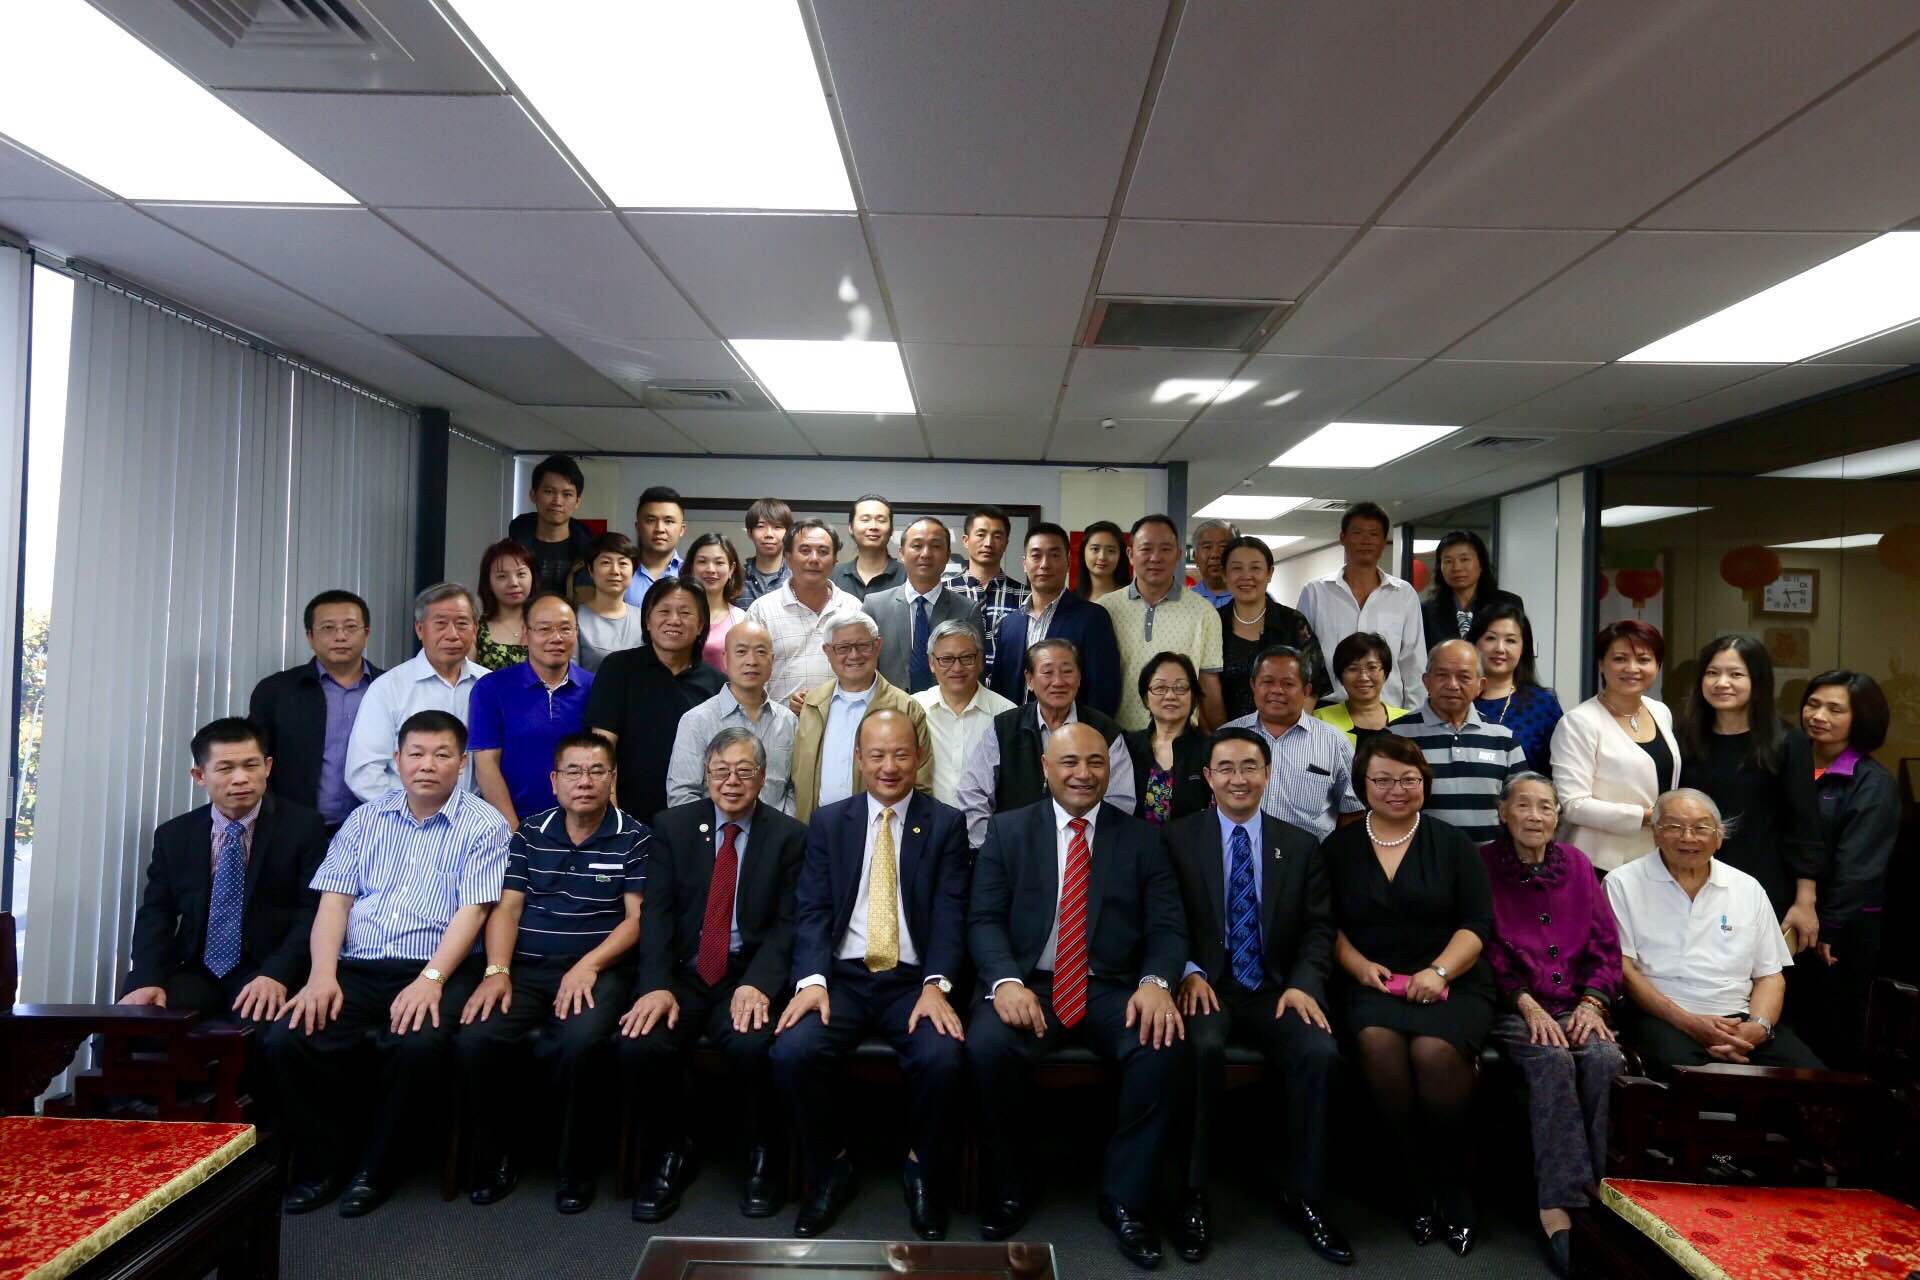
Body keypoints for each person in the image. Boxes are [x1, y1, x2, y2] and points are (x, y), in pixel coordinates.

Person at [266, 710, 512, 1218]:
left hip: (436, 967)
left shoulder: (485, 824)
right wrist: (321, 976)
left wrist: (431, 979)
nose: (428, 765)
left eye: (442, 754)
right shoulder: (364, 819)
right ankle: (323, 1164)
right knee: (289, 1038)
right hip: (356, 967)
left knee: (417, 1044)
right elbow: (334, 902)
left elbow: (474, 911)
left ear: (462, 763)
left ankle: (377, 1169)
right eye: (416, 754)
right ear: (397, 759)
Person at [968, 722, 1188, 1271]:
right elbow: (984, 919)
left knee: (1160, 1045)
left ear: (1110, 770)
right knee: (988, 1046)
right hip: (1031, 984)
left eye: (1095, 762)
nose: (1083, 773)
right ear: (1046, 768)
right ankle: (1010, 1186)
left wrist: (1157, 983)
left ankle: (1127, 1200)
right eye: (1069, 762)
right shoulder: (1008, 830)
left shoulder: (1142, 838)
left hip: (1111, 986)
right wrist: (1005, 981)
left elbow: (1167, 927)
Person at [770, 709, 970, 1241]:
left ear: (919, 757)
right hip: (842, 979)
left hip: (913, 982)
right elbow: (813, 908)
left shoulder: (945, 823)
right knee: (792, 1052)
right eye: (877, 755)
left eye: (900, 754)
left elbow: (950, 913)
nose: (889, 766)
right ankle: (830, 1166)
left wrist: (937, 985)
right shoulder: (829, 822)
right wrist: (812, 981)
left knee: (943, 1058)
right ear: (858, 759)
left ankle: (921, 1168)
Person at [1165, 728, 1349, 1266]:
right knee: (1199, 1048)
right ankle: (1192, 1194)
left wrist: (1303, 983)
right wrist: (1186, 971)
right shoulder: (1176, 839)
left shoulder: (1300, 844)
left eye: (1250, 767)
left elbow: (1319, 928)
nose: (1238, 778)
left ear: (1268, 774)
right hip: (1206, 986)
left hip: (1276, 987)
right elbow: (1164, 918)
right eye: (1225, 768)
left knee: (1319, 1052)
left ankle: (1307, 1194)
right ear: (1208, 777)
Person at [620, 727, 809, 1222]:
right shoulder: (673, 827)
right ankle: (670, 1151)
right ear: (705, 776)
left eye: (744, 771)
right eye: (720, 771)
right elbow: (657, 914)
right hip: (684, 973)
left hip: (746, 973)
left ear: (763, 778)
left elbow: (789, 924)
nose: (731, 782)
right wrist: (655, 985)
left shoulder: (789, 837)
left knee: (753, 1044)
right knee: (641, 1042)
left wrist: (759, 984)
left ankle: (762, 1154)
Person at [456, 733, 647, 1214]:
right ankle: (496, 1158)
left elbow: (636, 920)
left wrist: (588, 966)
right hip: (525, 968)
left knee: (580, 1043)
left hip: (599, 970)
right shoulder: (529, 833)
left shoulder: (635, 836)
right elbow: (508, 907)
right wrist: (497, 970)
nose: (585, 781)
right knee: (478, 1037)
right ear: (554, 780)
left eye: (597, 771)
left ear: (612, 778)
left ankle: (576, 1167)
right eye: (573, 772)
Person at [1326, 732, 1496, 1256]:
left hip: (1452, 980)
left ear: (1424, 782)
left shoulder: (1453, 843)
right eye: (1382, 780)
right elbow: (1324, 923)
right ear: (1363, 785)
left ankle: (1455, 1184)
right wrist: (1358, 968)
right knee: (1377, 1041)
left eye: (1408, 779)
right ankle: (1414, 1184)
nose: (1396, 790)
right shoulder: (1339, 847)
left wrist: (1439, 971)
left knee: (1433, 1051)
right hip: (1370, 980)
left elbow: (1477, 924)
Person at [1478, 773, 1624, 1277]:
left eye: (1546, 806)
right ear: (1502, 812)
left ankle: (1604, 1196)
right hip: (1513, 1007)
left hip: (1575, 1003)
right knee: (1553, 1058)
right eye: (1523, 805)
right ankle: (1559, 1208)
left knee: (1604, 1057)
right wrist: (1525, 1004)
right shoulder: (1481, 865)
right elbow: (1484, 948)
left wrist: (1593, 1003)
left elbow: (1606, 944)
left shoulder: (1578, 864)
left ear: (1558, 815)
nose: (1535, 816)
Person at [120, 718, 329, 1023]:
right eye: (226, 768)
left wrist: (277, 973)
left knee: (265, 1034)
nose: (241, 778)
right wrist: (147, 978)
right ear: (199, 775)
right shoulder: (175, 836)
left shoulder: (303, 828)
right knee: (130, 1029)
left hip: (266, 969)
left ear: (268, 767)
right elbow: (156, 913)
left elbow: (313, 912)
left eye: (251, 765)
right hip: (196, 970)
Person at [1606, 789, 1822, 1069]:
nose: (1688, 837)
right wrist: (1691, 1024)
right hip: (1662, 1018)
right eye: (1674, 827)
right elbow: (1624, 971)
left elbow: (1770, 977)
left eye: (1701, 828)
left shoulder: (1748, 888)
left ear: (1719, 837)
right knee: (1691, 1075)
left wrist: (1757, 1028)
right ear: (1656, 834)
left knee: (1811, 1076)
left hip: (1739, 1020)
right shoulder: (1622, 883)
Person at [1680, 634, 1822, 931]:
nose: (1721, 683)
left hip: (1763, 882)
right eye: (1712, 673)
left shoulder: (1787, 741)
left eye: (1735, 674)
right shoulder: (1683, 738)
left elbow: (1804, 825)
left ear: (1758, 681)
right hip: (1690, 880)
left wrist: (1805, 901)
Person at [1797, 670, 1899, 1070]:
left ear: (1861, 719)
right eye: (1813, 704)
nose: (1818, 716)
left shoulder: (1871, 782)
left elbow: (1858, 867)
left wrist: (1831, 928)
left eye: (1834, 709)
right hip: (1787, 918)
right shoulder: (1788, 764)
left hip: (1841, 930)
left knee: (1831, 1030)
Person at [956, 638, 1137, 846]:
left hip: (1084, 851)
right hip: (1015, 848)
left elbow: (1120, 801)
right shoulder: (1004, 728)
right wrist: (993, 847)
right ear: (1030, 679)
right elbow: (973, 793)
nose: (1058, 681)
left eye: (1067, 671)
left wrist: (1087, 849)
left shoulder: (1105, 731)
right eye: (1047, 672)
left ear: (1079, 678)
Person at [584, 576, 725, 825]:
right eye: (664, 611)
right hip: (626, 814)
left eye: (685, 613)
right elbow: (602, 744)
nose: (674, 620)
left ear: (701, 624)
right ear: (648, 621)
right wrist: (611, 809)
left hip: (693, 818)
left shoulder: (717, 684)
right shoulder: (619, 668)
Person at [1550, 620, 1680, 873]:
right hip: (1600, 861)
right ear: (1601, 663)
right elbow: (1573, 804)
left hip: (1658, 855)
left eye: (1644, 659)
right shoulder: (1579, 722)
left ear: (1658, 666)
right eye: (1620, 659)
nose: (1632, 668)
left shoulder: (1660, 711)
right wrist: (1645, 817)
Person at [249, 589, 383, 830]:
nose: (340, 636)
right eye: (328, 628)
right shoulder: (276, 691)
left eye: (350, 627)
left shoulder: (391, 687)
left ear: (366, 634)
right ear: (310, 636)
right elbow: (254, 759)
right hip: (294, 830)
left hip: (377, 828)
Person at [345, 582, 488, 802]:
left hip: (475, 815)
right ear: (420, 629)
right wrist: (413, 811)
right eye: (440, 624)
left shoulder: (489, 684)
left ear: (475, 629)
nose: (452, 634)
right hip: (405, 817)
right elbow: (364, 773)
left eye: (461, 624)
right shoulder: (389, 687)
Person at [789, 612, 933, 821]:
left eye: (863, 645)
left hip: (880, 831)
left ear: (878, 646)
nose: (854, 655)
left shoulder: (906, 709)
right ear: (827, 651)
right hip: (815, 829)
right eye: (843, 647)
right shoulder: (811, 704)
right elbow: (796, 777)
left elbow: (920, 784)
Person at [467, 593, 593, 830]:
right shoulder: (491, 688)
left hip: (581, 828)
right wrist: (516, 833)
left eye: (565, 629)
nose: (556, 638)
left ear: (576, 632)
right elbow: (486, 766)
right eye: (544, 629)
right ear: (525, 634)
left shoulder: (594, 688)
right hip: (512, 827)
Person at [1388, 639, 1529, 844]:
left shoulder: (1504, 739)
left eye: (1464, 677)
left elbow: (1522, 803)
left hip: (1488, 860)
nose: (1452, 685)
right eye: (1442, 675)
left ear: (1480, 685)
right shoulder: (1395, 737)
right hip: (1418, 858)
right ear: (1426, 681)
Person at [1296, 502, 1427, 711]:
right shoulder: (1315, 592)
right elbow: (1302, 657)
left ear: (1384, 541)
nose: (1366, 540)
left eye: (1374, 534)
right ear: (1342, 537)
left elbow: (1414, 662)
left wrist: (1414, 717)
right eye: (1357, 533)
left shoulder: (1403, 594)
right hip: (1327, 711)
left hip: (1388, 712)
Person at [1101, 514, 1226, 732]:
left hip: (1180, 741)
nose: (1155, 557)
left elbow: (1208, 684)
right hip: (1116, 738)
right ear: (1130, 555)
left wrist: (1221, 737)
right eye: (1146, 549)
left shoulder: (1204, 612)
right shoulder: (1105, 609)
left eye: (1166, 549)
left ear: (1178, 555)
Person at [1225, 647, 1362, 840]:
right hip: (1238, 854)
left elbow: (1354, 811)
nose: (1276, 690)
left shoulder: (1334, 742)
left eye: (1288, 683)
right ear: (1253, 685)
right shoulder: (1226, 737)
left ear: (1306, 690)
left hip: (1309, 856)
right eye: (1267, 682)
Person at [987, 521, 1122, 716]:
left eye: (1054, 555)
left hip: (1073, 731)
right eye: (1036, 555)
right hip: (1016, 731)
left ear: (1068, 562)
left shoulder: (1092, 617)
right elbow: (1000, 689)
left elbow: (1103, 691)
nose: (1045, 564)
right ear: (1024, 563)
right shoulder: (1009, 624)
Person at [665, 619, 798, 814]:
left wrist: (780, 828)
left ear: (772, 661)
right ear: (725, 659)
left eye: (761, 652)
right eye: (741, 652)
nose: (751, 661)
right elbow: (682, 794)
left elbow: (794, 789)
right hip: (714, 831)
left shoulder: (789, 721)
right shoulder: (696, 721)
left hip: (775, 831)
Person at [746, 518, 864, 706]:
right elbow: (748, 675)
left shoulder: (852, 608)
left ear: (835, 561)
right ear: (788, 558)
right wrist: (783, 708)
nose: (814, 559)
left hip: (841, 718)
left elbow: (864, 672)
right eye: (805, 550)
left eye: (823, 552)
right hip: (780, 721)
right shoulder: (762, 610)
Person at [864, 516, 980, 694]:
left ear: (948, 555)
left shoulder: (967, 610)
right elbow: (864, 669)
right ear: (902, 553)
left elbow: (975, 674)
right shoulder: (875, 606)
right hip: (889, 707)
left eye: (935, 546)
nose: (926, 553)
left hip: (947, 708)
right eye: (917, 546)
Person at [1219, 535, 1329, 719]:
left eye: (1255, 568)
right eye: (1237, 568)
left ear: (1269, 573)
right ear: (1224, 575)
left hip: (1287, 729)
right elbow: (1204, 687)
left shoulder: (1292, 622)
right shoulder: (1213, 623)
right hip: (1227, 731)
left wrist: (1290, 729)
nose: (1246, 576)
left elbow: (1313, 683)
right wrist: (1223, 733)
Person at [911, 620, 1015, 807]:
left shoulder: (1007, 714)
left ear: (980, 661)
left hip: (988, 821)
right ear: (931, 663)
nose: (957, 668)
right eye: (946, 659)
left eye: (966, 658)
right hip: (926, 820)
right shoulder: (913, 709)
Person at [1468, 602, 1563, 774]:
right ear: (1475, 644)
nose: (1500, 648)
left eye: (1510, 640)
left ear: (1523, 648)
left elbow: (1558, 772)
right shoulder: (1457, 699)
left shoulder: (1543, 705)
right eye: (1490, 638)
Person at [1122, 652, 1211, 826]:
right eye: (1160, 688)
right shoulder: (1127, 746)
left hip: (1192, 842)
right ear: (1146, 698)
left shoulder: (1210, 749)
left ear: (1193, 696)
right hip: (1136, 842)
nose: (1170, 695)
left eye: (1180, 687)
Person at [943, 506, 1028, 672]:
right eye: (981, 535)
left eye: (997, 536)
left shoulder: (1025, 596)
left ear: (1006, 543)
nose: (988, 543)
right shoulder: (944, 592)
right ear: (965, 540)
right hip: (956, 682)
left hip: (1008, 686)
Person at [508, 453, 595, 595]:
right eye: (549, 492)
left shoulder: (591, 555)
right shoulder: (510, 550)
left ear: (577, 501)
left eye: (567, 494)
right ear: (533, 495)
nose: (557, 501)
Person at [1421, 530, 1523, 644]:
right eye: (1448, 561)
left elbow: (1521, 648)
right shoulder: (1427, 610)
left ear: (1481, 564)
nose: (1456, 568)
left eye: (1464, 559)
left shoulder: (1508, 603)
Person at [1312, 631, 1408, 747]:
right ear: (1340, 676)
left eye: (1372, 667)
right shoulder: (1320, 720)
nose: (1363, 677)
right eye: (1353, 669)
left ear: (1385, 673)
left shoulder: (1408, 720)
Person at [575, 532, 647, 673]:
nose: (615, 571)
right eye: (606, 563)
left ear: (633, 571)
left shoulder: (645, 619)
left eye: (623, 563)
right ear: (590, 570)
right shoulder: (575, 618)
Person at [686, 532, 749, 670]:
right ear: (691, 567)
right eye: (702, 562)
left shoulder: (740, 619)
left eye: (719, 563)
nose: (711, 569)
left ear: (731, 569)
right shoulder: (676, 615)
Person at [474, 539, 535, 671]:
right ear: (488, 583)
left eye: (521, 574)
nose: (513, 583)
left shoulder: (547, 625)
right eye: (502, 576)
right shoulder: (476, 630)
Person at [832, 493, 906, 599]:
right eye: (865, 520)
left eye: (881, 520)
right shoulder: (832, 575)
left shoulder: (908, 577)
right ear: (851, 528)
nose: (873, 526)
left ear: (891, 530)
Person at [624, 485, 687, 604]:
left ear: (682, 529)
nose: (659, 529)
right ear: (638, 527)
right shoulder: (620, 572)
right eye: (651, 520)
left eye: (668, 521)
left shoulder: (691, 573)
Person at [741, 497, 795, 604]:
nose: (769, 534)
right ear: (749, 532)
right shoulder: (736, 579)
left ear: (788, 533)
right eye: (761, 526)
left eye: (777, 526)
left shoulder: (797, 578)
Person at [1074, 519, 1130, 602]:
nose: (1102, 557)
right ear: (1083, 552)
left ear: (1120, 555)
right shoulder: (1071, 601)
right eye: (1095, 549)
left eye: (1111, 550)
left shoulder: (1132, 598)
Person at [1188, 518, 1237, 607]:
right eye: (1207, 547)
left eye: (1223, 547)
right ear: (1195, 557)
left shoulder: (1253, 599)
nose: (1215, 554)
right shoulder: (1183, 601)